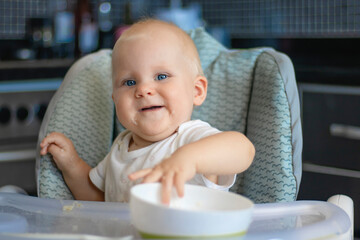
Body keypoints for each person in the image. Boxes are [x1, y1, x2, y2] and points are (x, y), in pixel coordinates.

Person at [40, 19, 255, 205]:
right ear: (115, 99)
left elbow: (243, 150)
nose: (143, 90)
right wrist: (72, 165)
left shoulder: (190, 140)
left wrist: (188, 160)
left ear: (196, 91)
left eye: (161, 76)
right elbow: (99, 202)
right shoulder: (120, 148)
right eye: (129, 82)